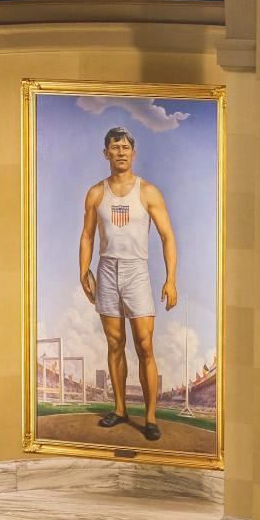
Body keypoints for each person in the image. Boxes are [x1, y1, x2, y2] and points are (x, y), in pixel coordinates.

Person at [79, 126, 178, 441]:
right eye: (114, 147)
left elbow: (167, 237)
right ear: (105, 153)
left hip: (136, 270)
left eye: (125, 147)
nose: (120, 152)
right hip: (107, 269)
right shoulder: (97, 193)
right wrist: (84, 271)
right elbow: (87, 235)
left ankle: (150, 417)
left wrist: (171, 279)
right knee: (114, 343)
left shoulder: (148, 192)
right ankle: (120, 409)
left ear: (133, 153)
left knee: (145, 345)